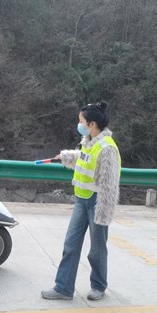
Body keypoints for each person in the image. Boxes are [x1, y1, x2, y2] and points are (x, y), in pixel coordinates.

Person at [42, 101, 121, 301]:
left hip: (97, 203)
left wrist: (103, 213)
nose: (79, 124)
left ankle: (98, 286)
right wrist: (67, 156)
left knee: (97, 250)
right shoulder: (88, 142)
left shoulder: (107, 148)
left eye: (81, 121)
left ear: (92, 124)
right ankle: (63, 288)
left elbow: (110, 185)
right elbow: (85, 158)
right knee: (71, 245)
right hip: (81, 200)